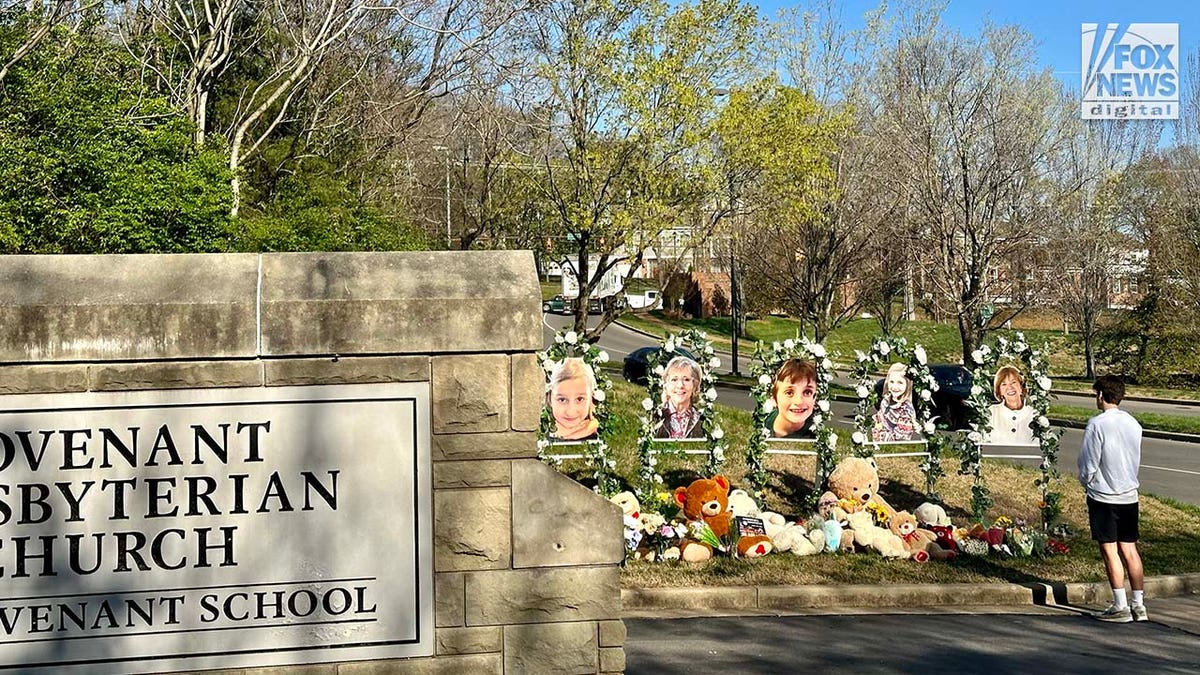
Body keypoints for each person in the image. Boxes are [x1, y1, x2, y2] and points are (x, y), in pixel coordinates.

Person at [1078, 374, 1146, 623]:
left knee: (1109, 550)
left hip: (1104, 495)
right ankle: (1138, 604)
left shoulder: (1097, 424)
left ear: (1100, 395)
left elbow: (1089, 461)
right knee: (1130, 549)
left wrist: (1086, 481)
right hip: (1129, 494)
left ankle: (1120, 605)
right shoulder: (1133, 423)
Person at [546, 357, 600, 441]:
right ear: (549, 399)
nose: (571, 412)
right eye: (562, 400)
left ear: (591, 398)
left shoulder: (602, 433)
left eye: (580, 399)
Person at [982, 365, 1037, 445]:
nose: (1010, 388)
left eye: (1013, 382)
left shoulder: (1034, 414)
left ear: (1021, 387)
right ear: (999, 391)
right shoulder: (991, 412)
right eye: (1004, 385)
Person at [653, 355, 705, 439]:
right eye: (674, 379)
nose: (680, 385)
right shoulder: (654, 416)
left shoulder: (703, 419)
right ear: (666, 385)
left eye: (686, 379)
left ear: (694, 386)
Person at [766, 358, 817, 439]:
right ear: (774, 399)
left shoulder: (816, 438)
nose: (799, 401)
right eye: (789, 393)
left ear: (815, 399)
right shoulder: (763, 424)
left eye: (807, 392)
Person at [871, 362, 921, 442]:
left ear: (907, 385)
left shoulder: (906, 409)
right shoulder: (885, 401)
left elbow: (901, 439)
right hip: (879, 445)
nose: (894, 387)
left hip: (893, 448)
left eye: (900, 383)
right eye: (891, 382)